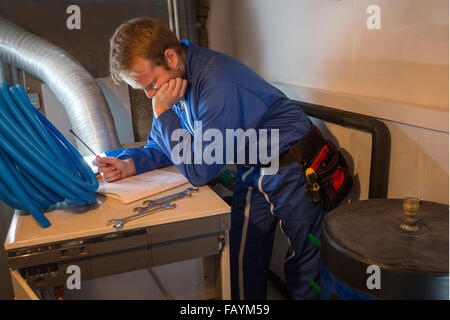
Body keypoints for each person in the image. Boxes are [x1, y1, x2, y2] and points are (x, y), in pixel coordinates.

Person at [94, 17, 328, 300]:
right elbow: (166, 142)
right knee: (243, 256)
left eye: (152, 84)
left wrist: (161, 111)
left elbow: (200, 170)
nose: (150, 94)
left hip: (293, 165)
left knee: (305, 265)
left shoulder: (217, 84)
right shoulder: (177, 79)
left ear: (170, 56)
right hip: (254, 165)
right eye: (143, 89)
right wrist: (130, 164)